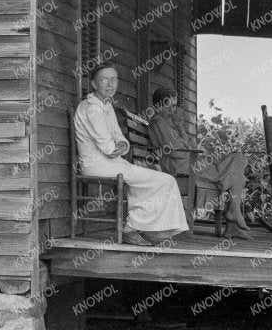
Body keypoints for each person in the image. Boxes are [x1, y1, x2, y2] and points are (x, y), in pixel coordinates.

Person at [73, 64, 188, 245]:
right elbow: (108, 147)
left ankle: (151, 230)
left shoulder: (107, 106)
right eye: (105, 79)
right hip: (98, 165)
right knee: (166, 180)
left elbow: (119, 138)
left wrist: (120, 145)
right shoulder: (92, 108)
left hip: (114, 163)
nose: (110, 84)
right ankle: (132, 228)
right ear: (94, 84)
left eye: (114, 79)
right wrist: (115, 147)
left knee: (162, 180)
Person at [145, 88, 256, 238]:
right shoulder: (159, 122)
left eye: (175, 105)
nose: (173, 109)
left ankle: (232, 223)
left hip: (189, 163)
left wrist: (180, 129)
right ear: (158, 106)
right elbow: (175, 152)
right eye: (168, 105)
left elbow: (189, 147)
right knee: (236, 161)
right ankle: (233, 216)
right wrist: (185, 145)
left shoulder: (170, 123)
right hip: (180, 167)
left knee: (237, 171)